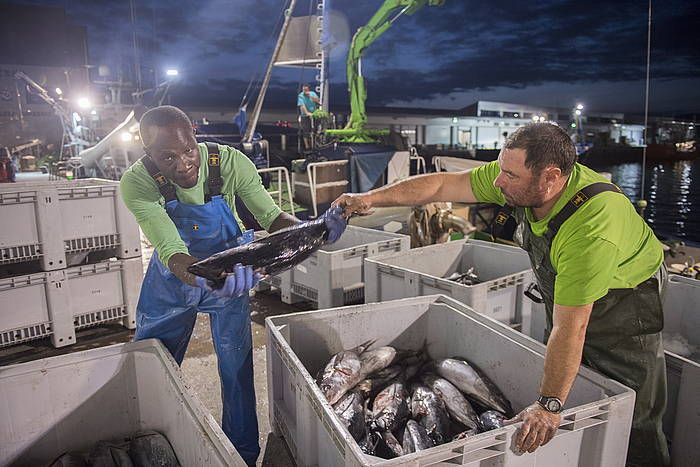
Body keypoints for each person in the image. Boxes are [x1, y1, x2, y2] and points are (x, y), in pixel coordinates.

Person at [333, 122, 669, 467]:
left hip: (625, 303)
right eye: (501, 169)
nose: (497, 182)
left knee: (635, 411)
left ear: (551, 177)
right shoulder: (527, 176)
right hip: (572, 299)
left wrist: (549, 405)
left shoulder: (591, 230)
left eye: (510, 176)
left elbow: (571, 330)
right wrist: (369, 198)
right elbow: (441, 184)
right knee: (573, 380)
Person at [120, 105, 346, 466]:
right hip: (173, 281)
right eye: (167, 157)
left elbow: (272, 218)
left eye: (188, 150)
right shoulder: (137, 183)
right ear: (148, 154)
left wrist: (315, 229)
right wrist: (204, 278)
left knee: (237, 368)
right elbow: (170, 249)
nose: (183, 165)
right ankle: (141, 443)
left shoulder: (230, 163)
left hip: (230, 276)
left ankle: (241, 456)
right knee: (151, 364)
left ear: (195, 136)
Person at [297, 84, 320, 149]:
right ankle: (307, 146)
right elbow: (302, 105)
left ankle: (314, 144)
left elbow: (318, 101)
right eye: (303, 90)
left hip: (314, 114)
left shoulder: (312, 94)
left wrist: (311, 97)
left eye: (306, 90)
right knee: (306, 130)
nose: (305, 91)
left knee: (315, 129)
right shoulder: (301, 96)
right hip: (305, 115)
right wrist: (307, 112)